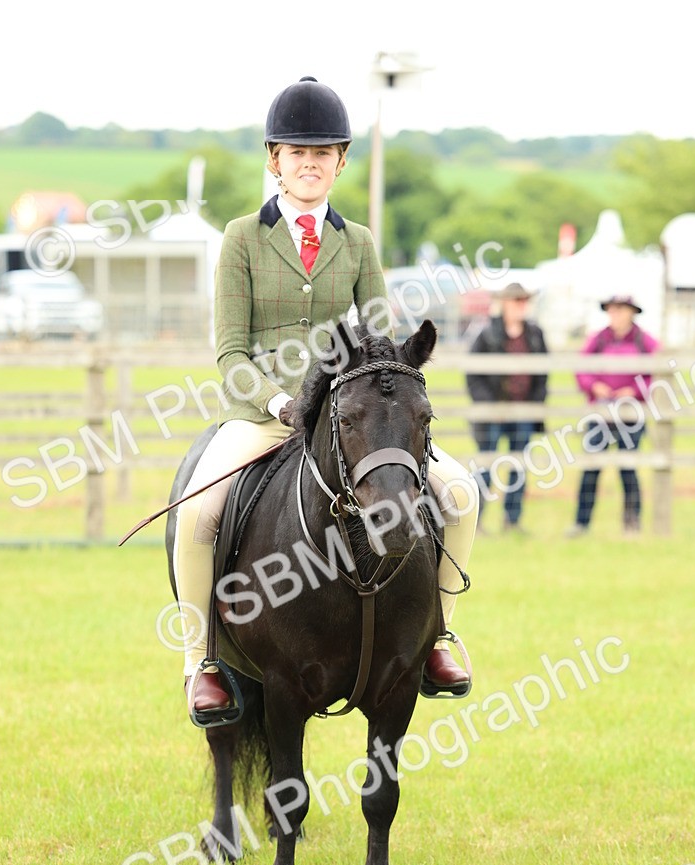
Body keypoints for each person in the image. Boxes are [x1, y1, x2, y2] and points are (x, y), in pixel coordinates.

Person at [173, 77, 480, 722]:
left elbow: (376, 340)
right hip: (266, 415)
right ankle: (202, 661)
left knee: (458, 494)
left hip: (350, 417)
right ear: (273, 160)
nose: (308, 164)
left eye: (322, 154)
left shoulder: (359, 242)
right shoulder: (242, 238)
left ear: (341, 162)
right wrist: (283, 403)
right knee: (199, 512)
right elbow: (230, 354)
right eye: (295, 153)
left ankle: (438, 636)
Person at [567, 294, 659, 536]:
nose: (615, 314)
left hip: (630, 414)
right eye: (612, 309)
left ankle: (632, 523)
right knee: (591, 467)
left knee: (628, 468)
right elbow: (582, 369)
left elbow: (657, 375)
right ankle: (581, 523)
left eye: (620, 309)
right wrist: (594, 386)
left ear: (631, 312)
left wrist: (634, 390)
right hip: (601, 412)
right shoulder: (598, 339)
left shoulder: (644, 341)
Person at [465, 282, 548, 534]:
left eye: (524, 301)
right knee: (486, 465)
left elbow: (542, 373)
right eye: (516, 301)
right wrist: (488, 406)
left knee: (519, 466)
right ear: (505, 304)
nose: (521, 306)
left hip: (522, 412)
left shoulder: (534, 334)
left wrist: (535, 404)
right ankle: (475, 522)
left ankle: (512, 520)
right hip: (493, 414)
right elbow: (473, 375)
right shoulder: (487, 333)